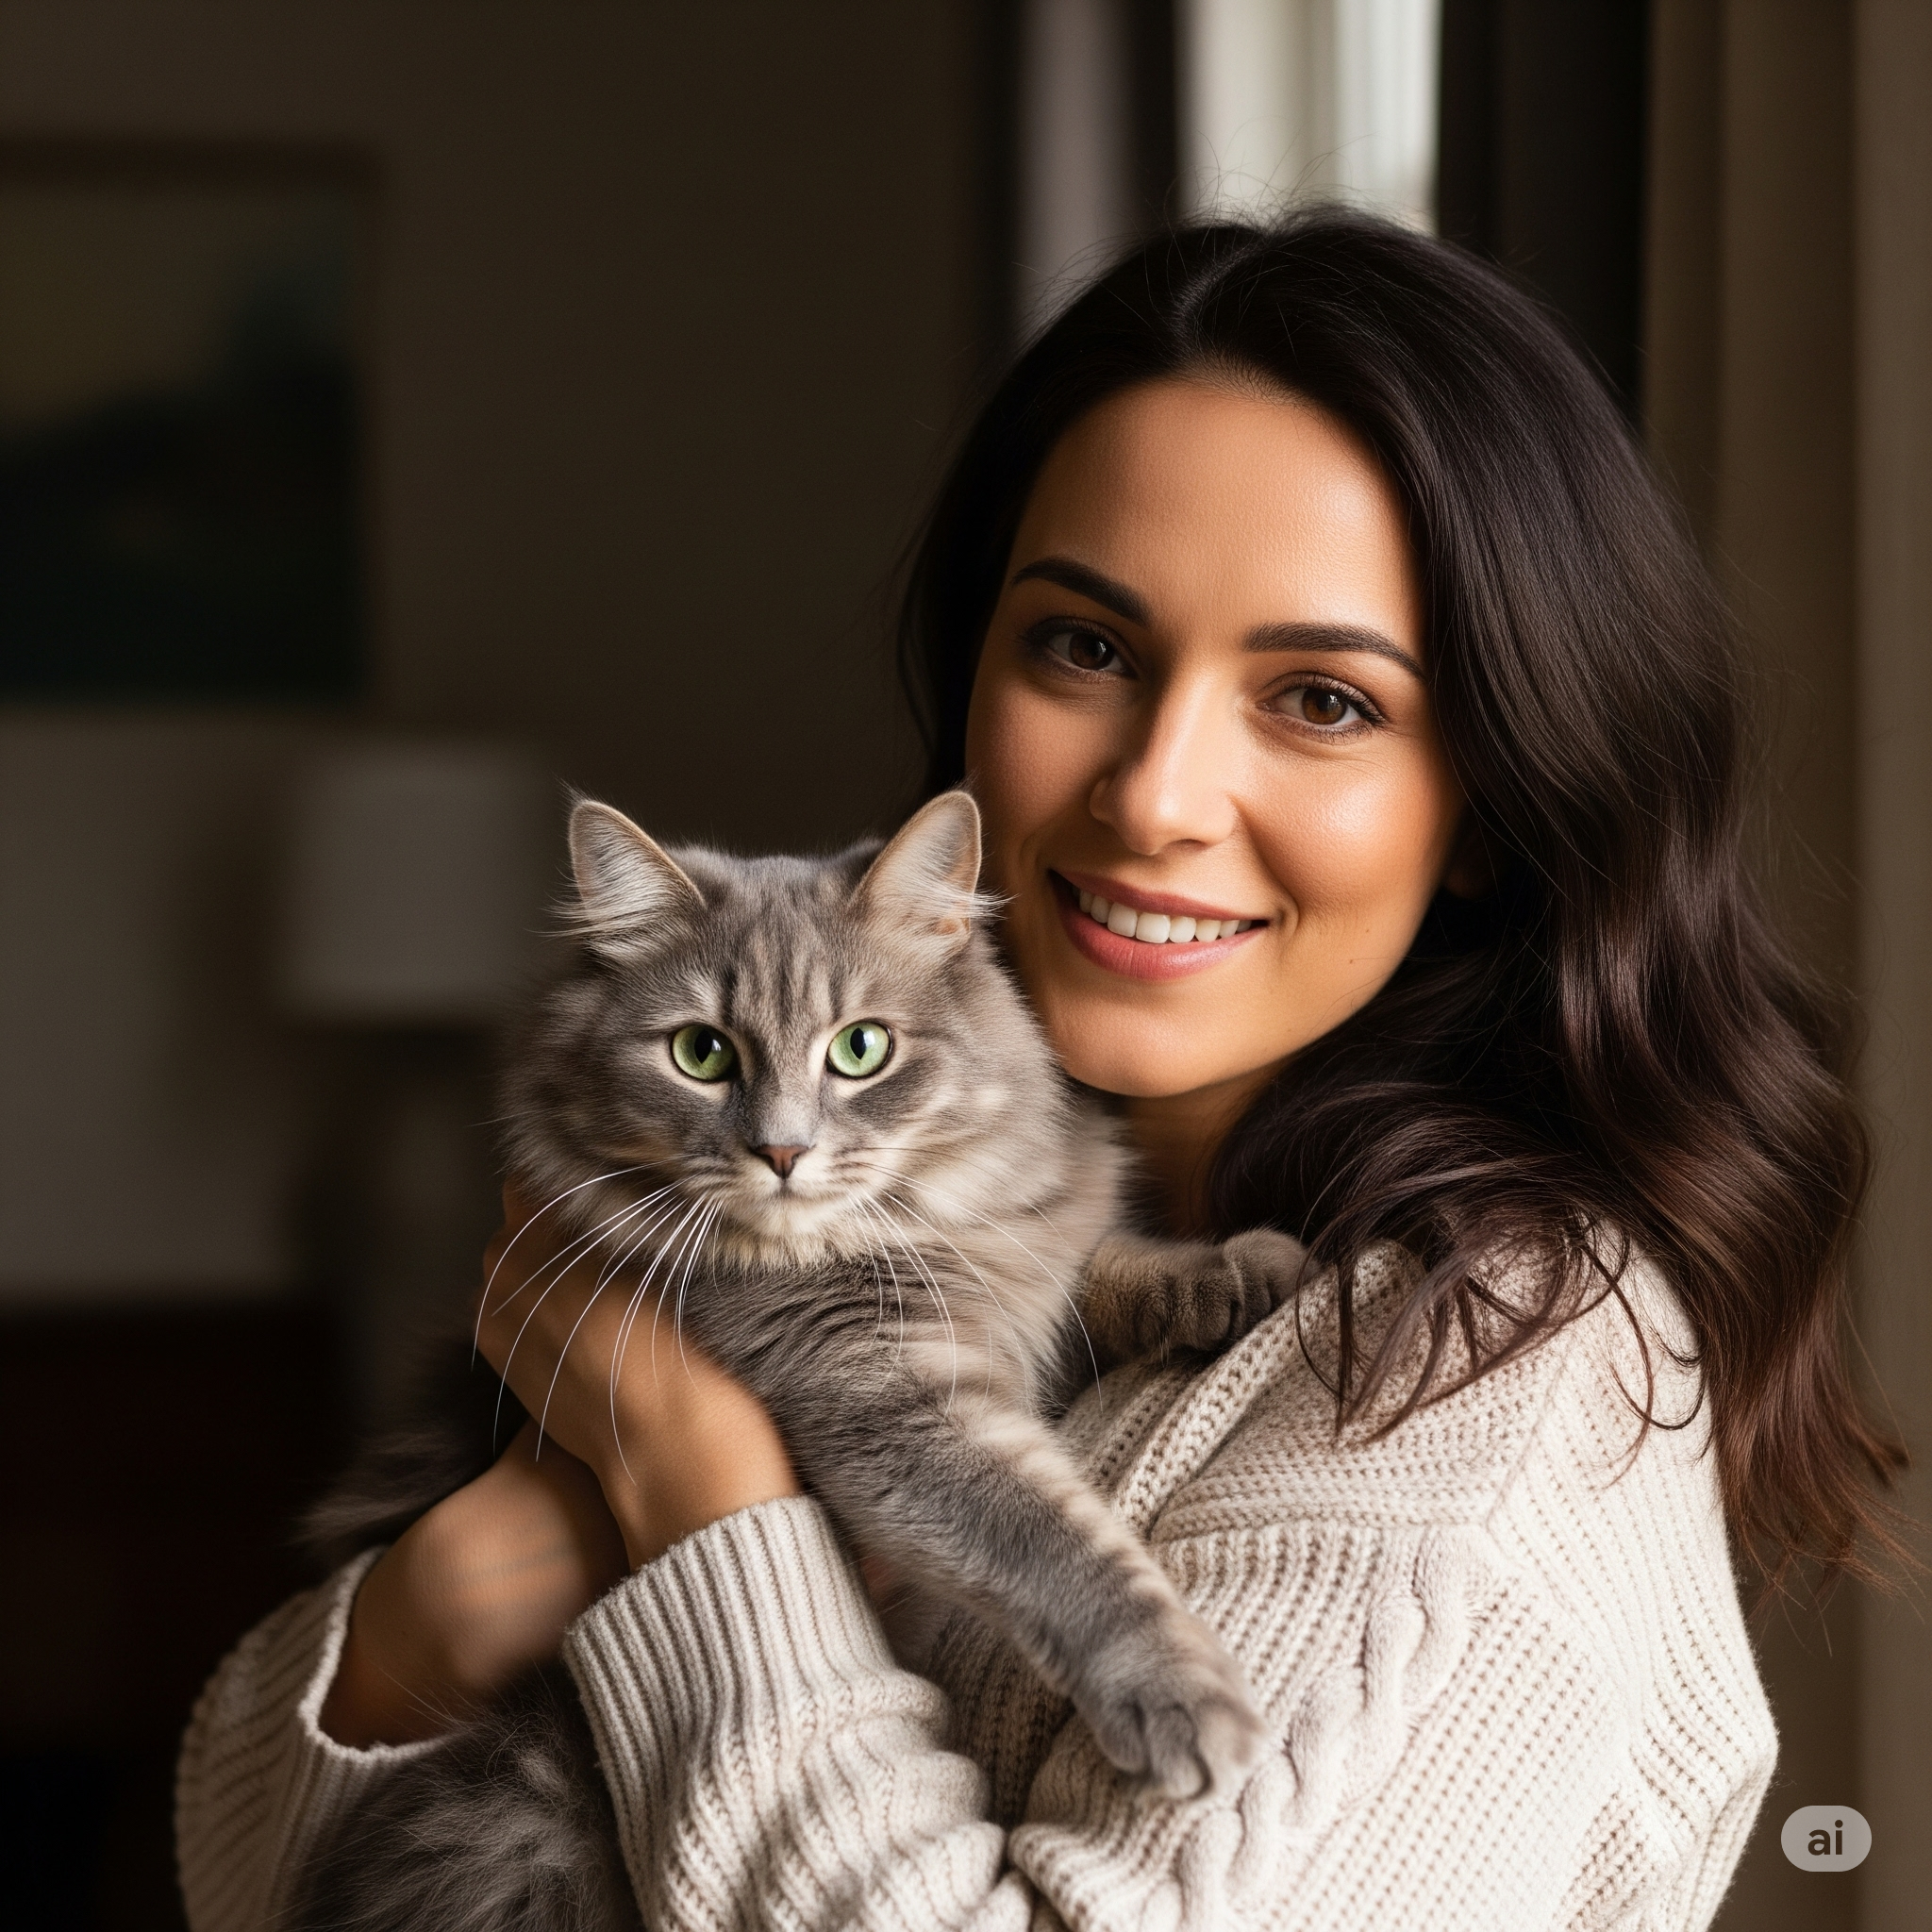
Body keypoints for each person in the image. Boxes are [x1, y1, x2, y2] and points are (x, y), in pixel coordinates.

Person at [176, 212, 1903, 1930]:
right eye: (1085, 646)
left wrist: (694, 1490)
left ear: (1492, 802)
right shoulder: (1024, 1195)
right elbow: (249, 1853)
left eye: (1321, 698)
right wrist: (449, 1603)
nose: (1153, 794)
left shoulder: (1493, 1380)